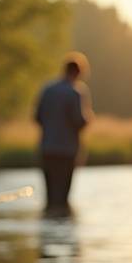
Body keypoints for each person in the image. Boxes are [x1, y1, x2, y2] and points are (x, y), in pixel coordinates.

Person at [34, 52, 92, 216]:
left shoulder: (47, 90)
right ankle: (61, 231)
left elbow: (37, 117)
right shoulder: (76, 92)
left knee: (50, 197)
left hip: (47, 149)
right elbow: (79, 121)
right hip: (67, 152)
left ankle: (48, 230)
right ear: (78, 72)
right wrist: (89, 119)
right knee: (63, 198)